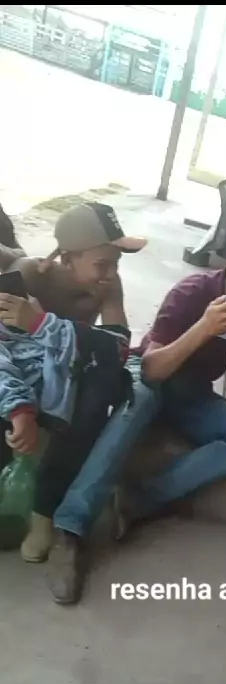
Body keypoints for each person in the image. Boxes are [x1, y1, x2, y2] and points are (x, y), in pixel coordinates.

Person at [46, 234, 226, 605]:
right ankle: (70, 526)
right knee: (141, 398)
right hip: (153, 374)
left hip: (193, 392)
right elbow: (150, 369)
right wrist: (205, 328)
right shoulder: (191, 294)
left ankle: (138, 501)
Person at [0, 201, 146, 567]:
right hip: (22, 378)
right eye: (102, 264)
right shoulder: (27, 277)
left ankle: (44, 513)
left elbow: (117, 347)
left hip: (72, 379)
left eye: (115, 264)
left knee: (105, 377)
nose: (110, 274)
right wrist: (19, 409)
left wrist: (42, 324)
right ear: (67, 258)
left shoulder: (108, 287)